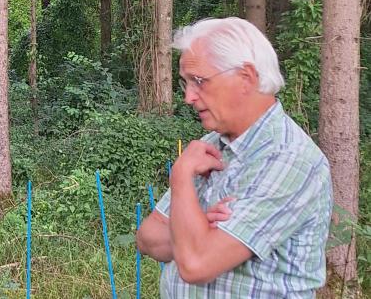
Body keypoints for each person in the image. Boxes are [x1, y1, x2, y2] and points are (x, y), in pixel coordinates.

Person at [136, 17, 332, 297]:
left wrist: (180, 177)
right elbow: (148, 239)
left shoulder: (289, 158)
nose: (188, 97)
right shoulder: (210, 144)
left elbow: (195, 264)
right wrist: (201, 224)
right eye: (185, 83)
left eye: (199, 81)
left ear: (245, 78)